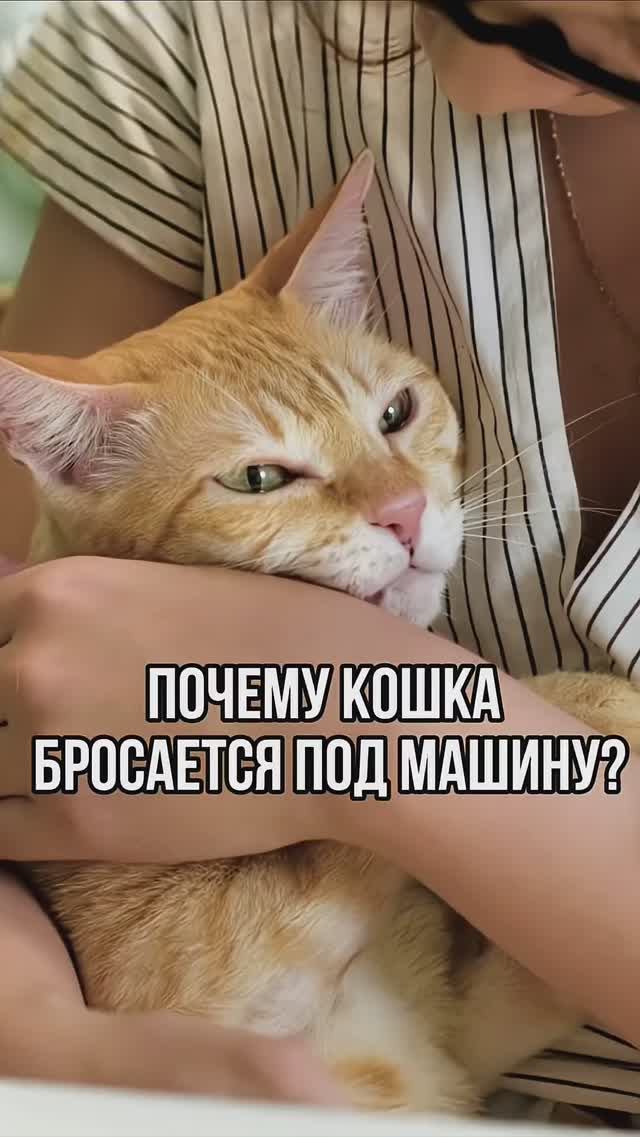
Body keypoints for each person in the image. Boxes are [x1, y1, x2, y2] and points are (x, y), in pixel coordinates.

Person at [0, 0, 639, 1125]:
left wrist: (365, 722)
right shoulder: (187, 44)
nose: (396, 505)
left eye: (395, 414)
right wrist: (30, 1026)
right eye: (264, 476)